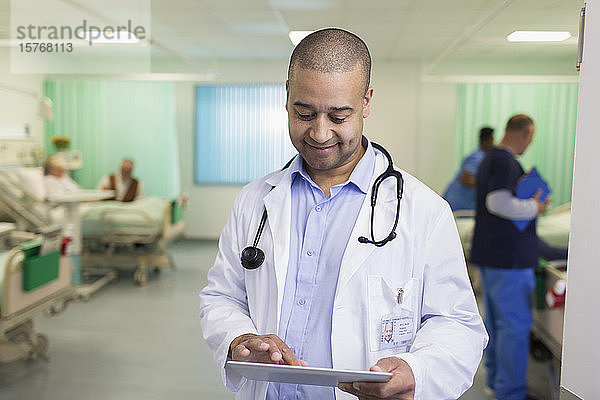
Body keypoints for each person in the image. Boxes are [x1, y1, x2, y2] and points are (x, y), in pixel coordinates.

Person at [199, 28, 487, 400]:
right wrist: (239, 338)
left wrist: (416, 371)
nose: (320, 133)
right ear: (287, 96)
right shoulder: (255, 201)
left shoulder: (424, 211)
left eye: (339, 116)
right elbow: (222, 296)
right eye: (305, 113)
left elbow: (457, 323)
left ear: (366, 102)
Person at [471, 114, 550, 400]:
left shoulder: (491, 159)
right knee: (514, 328)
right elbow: (498, 202)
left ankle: (496, 382)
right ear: (528, 134)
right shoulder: (505, 161)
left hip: (494, 257)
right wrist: (535, 206)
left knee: (497, 324)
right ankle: (511, 392)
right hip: (510, 260)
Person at [443, 127, 494, 211]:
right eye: (492, 141)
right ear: (487, 141)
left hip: (464, 204)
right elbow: (466, 179)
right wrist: (489, 185)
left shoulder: (484, 157)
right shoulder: (477, 157)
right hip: (457, 203)